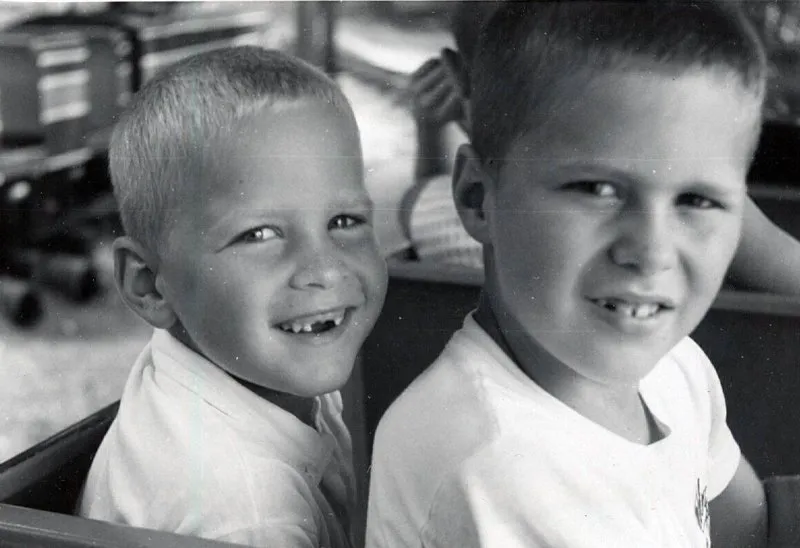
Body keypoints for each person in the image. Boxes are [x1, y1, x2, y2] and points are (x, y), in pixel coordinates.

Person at [367, 2, 800, 546]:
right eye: (597, 190)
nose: (651, 252)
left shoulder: (672, 365)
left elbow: (751, 526)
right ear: (477, 198)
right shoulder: (494, 466)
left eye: (696, 199)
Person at [77, 46, 388, 547]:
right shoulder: (249, 520)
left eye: (344, 221)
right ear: (148, 285)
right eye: (259, 234)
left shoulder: (254, 358)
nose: (324, 270)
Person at [403, 0, 800, 296]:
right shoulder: (702, 197)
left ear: (455, 77)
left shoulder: (439, 204)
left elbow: (439, 206)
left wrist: (435, 127)